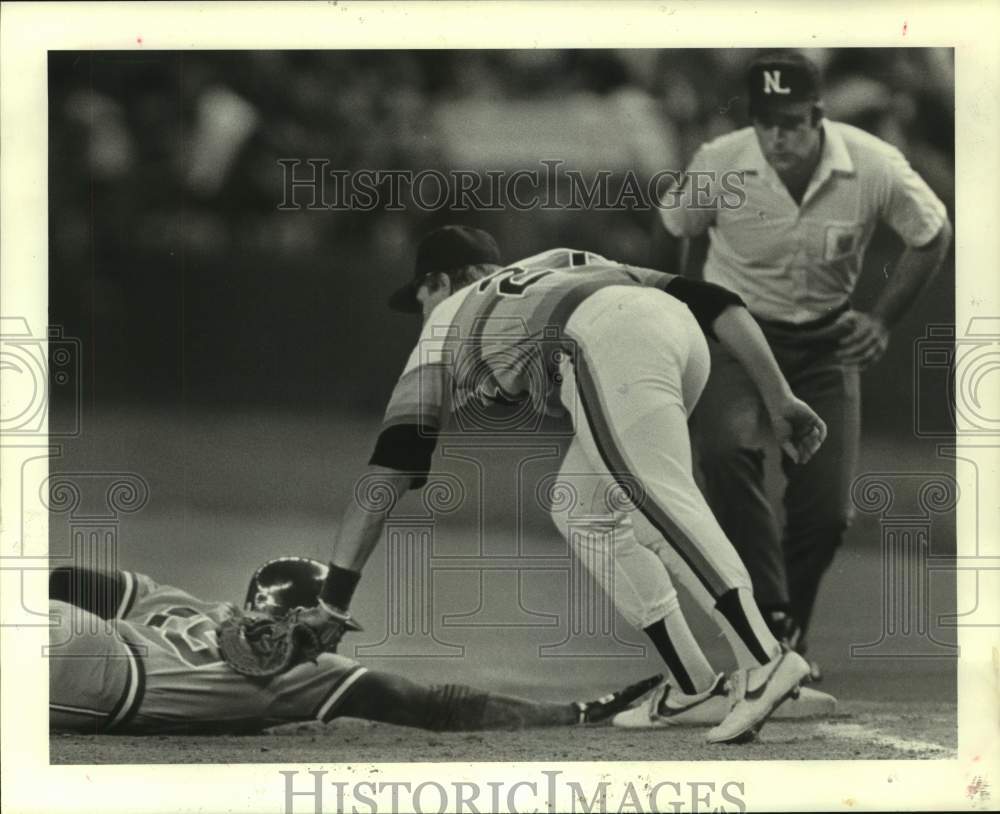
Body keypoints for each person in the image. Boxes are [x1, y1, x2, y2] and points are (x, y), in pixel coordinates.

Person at [312, 224, 833, 744]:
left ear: (452, 278)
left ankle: (764, 659)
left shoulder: (445, 320)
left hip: (603, 340)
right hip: (678, 337)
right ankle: (694, 686)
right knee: (582, 508)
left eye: (422, 292)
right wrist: (779, 395)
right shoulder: (566, 259)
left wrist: (334, 600)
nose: (421, 310)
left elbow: (388, 470)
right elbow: (716, 301)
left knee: (654, 500)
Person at [650, 51, 953, 677]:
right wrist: (677, 312)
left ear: (818, 116)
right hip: (735, 335)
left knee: (828, 511)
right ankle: (772, 617)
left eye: (789, 122)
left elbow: (932, 233)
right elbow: (675, 226)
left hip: (824, 345)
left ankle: (788, 634)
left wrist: (881, 319)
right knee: (728, 453)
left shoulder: (871, 165)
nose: (776, 137)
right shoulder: (722, 161)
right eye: (765, 121)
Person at [48, 558, 658, 734]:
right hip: (108, 683)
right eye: (331, 621)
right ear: (301, 621)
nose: (337, 633)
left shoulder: (180, 601)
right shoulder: (308, 677)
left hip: (88, 638)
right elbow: (441, 706)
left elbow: (68, 580)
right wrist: (576, 712)